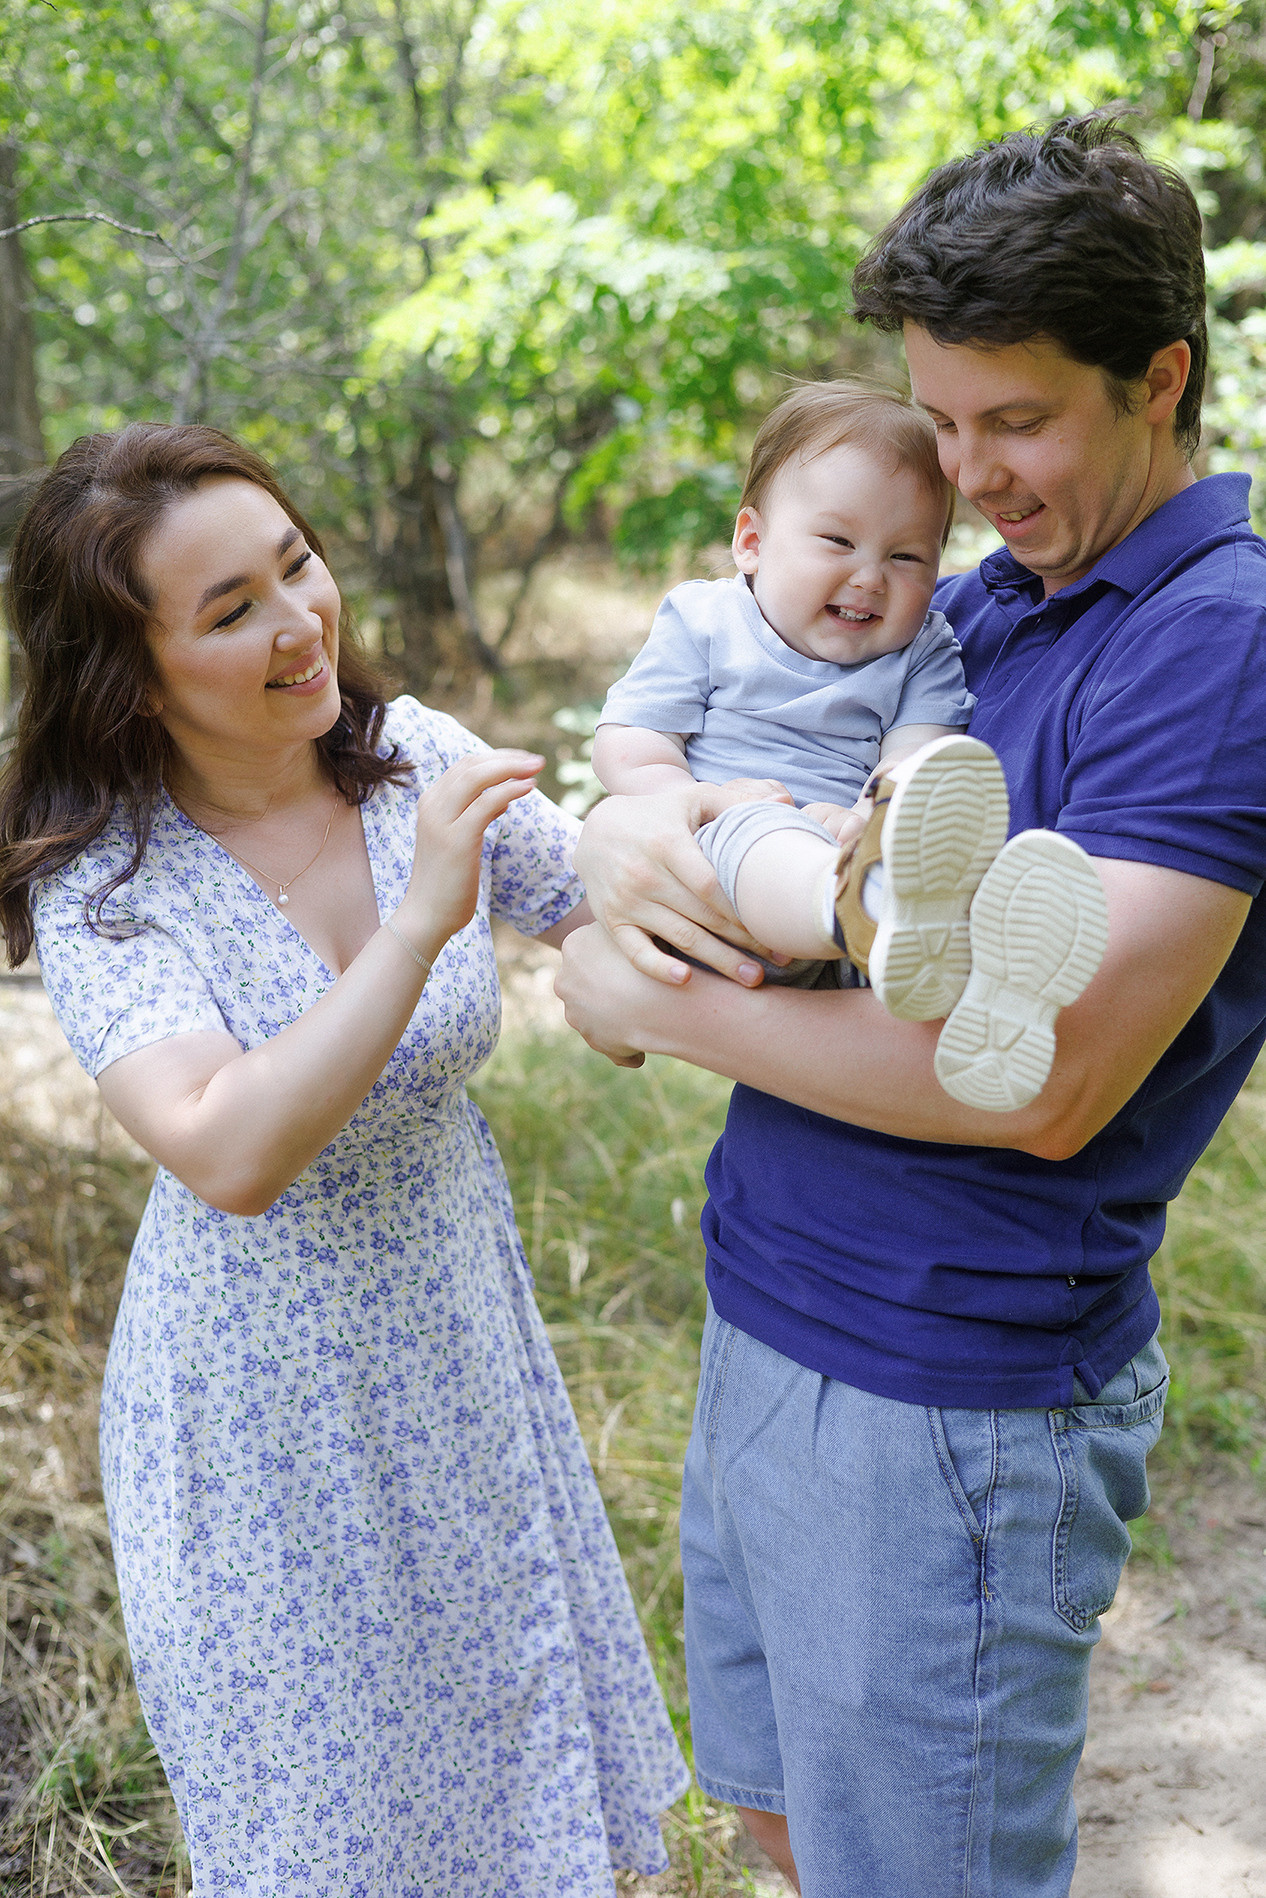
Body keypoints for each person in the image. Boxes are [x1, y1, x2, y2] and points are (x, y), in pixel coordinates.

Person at [554, 115, 1266, 1896]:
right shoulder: (984, 609)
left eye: (1013, 421)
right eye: (943, 425)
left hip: (950, 1390)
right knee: (787, 1828)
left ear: (1159, 377)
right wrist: (621, 847)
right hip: (771, 1308)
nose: (971, 473)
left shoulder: (1216, 638)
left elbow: (1047, 1079)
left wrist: (638, 990)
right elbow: (690, 765)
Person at [0, 423, 687, 1897]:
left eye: (295, 563)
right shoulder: (106, 885)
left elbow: (615, 921)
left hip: (457, 1354)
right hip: (259, 1417)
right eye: (229, 607)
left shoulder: (412, 757)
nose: (299, 619)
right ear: (131, 672)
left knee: (507, 1781)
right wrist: (420, 921)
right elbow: (227, 1149)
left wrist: (750, 892)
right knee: (328, 1831)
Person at [592, 378, 1108, 1108]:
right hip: (716, 881)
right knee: (758, 825)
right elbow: (629, 743)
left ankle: (991, 996)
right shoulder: (708, 620)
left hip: (843, 899)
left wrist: (871, 817)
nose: (869, 577)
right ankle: (865, 904)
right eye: (838, 541)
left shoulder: (923, 647)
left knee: (933, 886)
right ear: (752, 542)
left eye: (908, 558)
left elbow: (919, 763)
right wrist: (692, 800)